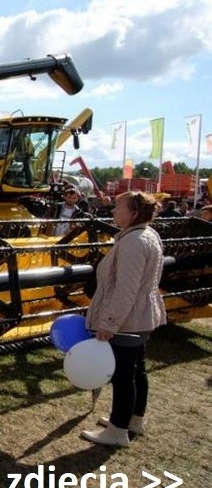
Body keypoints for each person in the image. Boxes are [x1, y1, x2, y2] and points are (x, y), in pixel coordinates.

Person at [81, 191, 166, 447]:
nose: (114, 210)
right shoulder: (146, 236)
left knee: (123, 374)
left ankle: (117, 431)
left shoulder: (133, 242)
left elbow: (125, 289)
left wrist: (109, 323)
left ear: (134, 212)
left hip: (127, 320)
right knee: (137, 370)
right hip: (139, 317)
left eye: (119, 206)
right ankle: (133, 420)